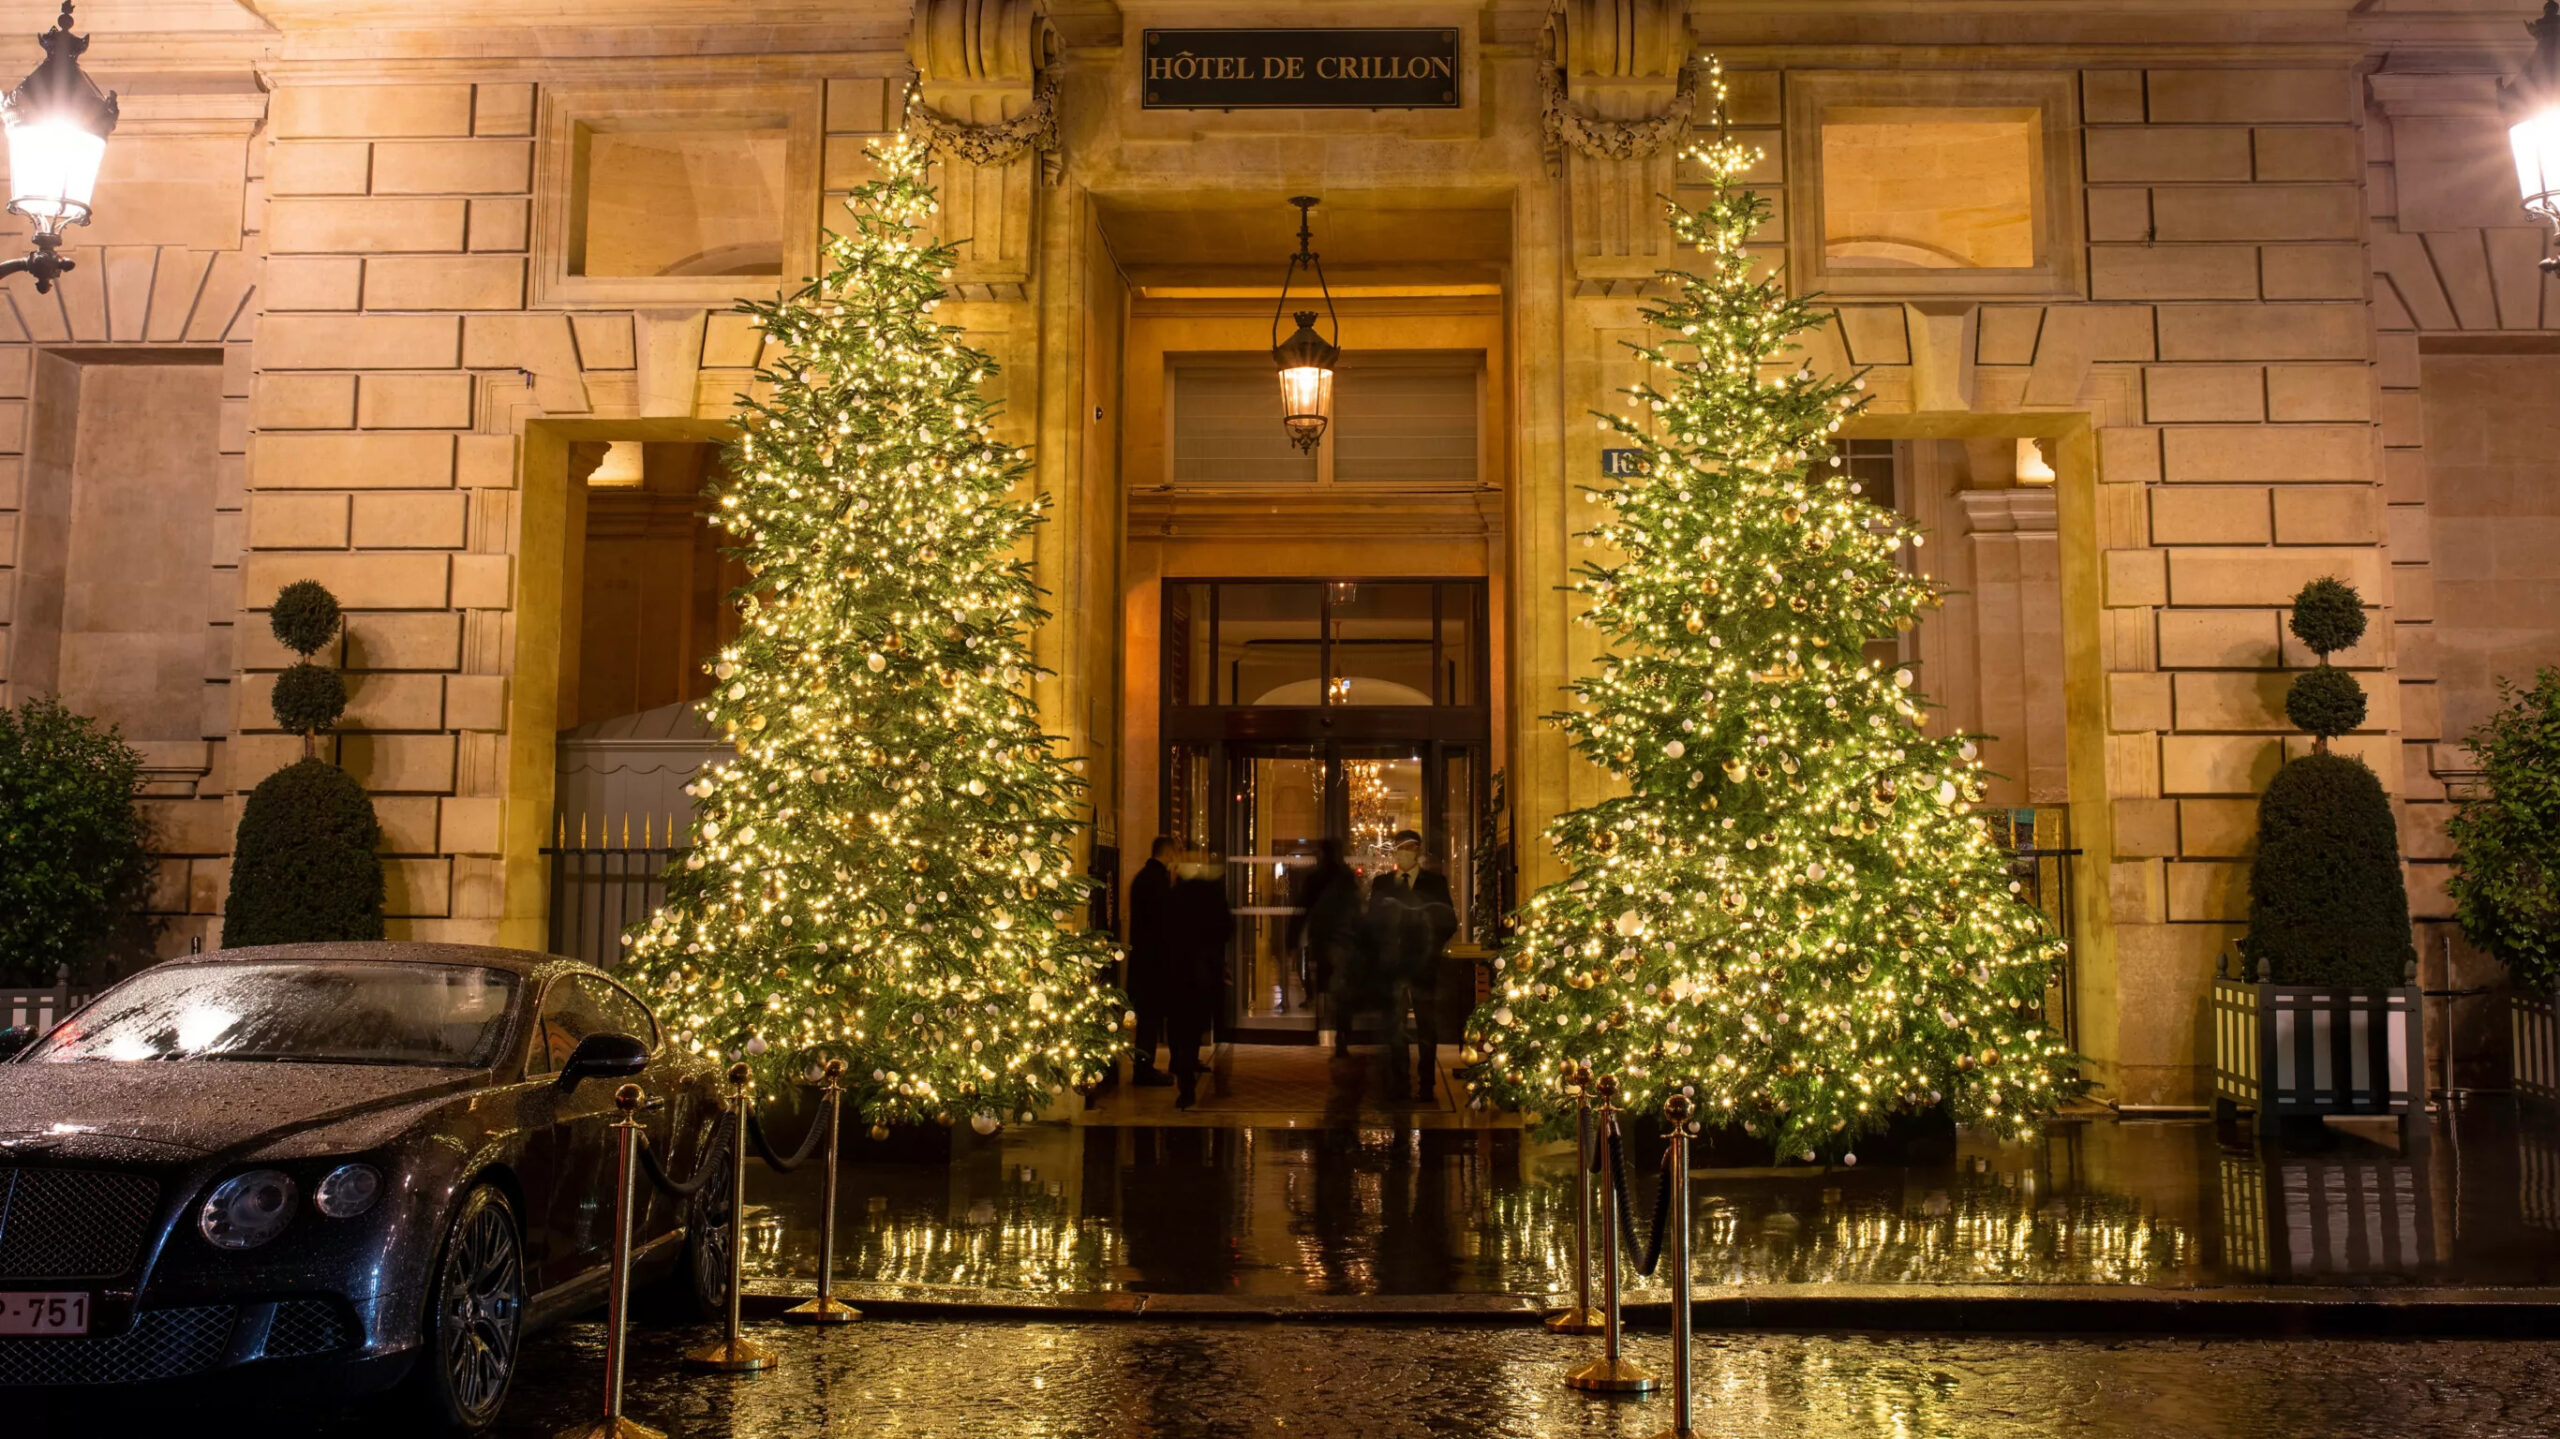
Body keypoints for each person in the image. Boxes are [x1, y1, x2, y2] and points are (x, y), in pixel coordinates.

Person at [1366, 829, 1457, 1101]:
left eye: (1409, 848)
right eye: (1400, 848)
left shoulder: (1434, 884)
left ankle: (1426, 1083)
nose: (1404, 853)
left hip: (1423, 966)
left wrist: (1430, 949)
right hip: (1392, 967)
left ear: (1417, 851)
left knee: (1426, 1024)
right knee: (1395, 1025)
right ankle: (1399, 1081)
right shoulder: (1382, 885)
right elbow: (1372, 923)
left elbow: (1447, 921)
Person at [1164, 852, 1234, 1110]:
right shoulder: (1213, 896)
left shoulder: (1175, 897)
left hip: (1180, 973)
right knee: (1195, 1031)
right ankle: (1204, 1076)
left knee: (1181, 1030)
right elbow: (1227, 928)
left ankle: (1185, 1085)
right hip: (1205, 974)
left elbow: (1165, 933)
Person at [1288, 839, 1365, 1057]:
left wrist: (1292, 941)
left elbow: (1302, 910)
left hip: (1323, 940)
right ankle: (1341, 1033)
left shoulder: (1316, 877)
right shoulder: (1347, 877)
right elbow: (1356, 910)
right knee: (1341, 988)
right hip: (1344, 941)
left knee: (1325, 984)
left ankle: (1320, 1026)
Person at [1125, 836, 1178, 1087]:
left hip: (1144, 960)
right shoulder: (1157, 882)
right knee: (1149, 1019)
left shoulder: (1142, 878)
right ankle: (1144, 1070)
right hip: (1154, 962)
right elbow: (1163, 924)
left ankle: (1144, 1067)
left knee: (1148, 1017)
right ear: (1168, 854)